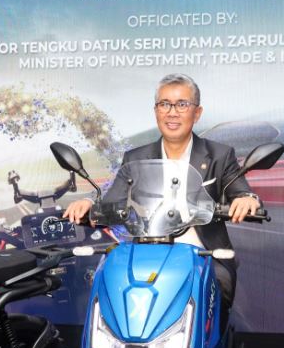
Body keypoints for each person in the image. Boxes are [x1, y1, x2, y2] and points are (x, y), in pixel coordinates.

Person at [63, 72, 260, 319]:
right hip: (145, 254)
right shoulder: (135, 158)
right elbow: (113, 201)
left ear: (197, 113)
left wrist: (247, 199)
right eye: (164, 104)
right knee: (111, 293)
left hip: (202, 256)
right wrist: (89, 204)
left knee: (209, 303)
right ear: (156, 111)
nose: (172, 112)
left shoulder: (220, 155)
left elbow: (241, 190)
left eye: (182, 104)